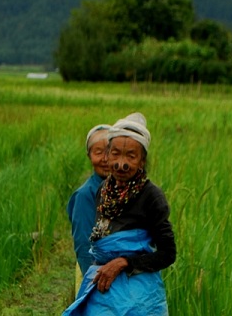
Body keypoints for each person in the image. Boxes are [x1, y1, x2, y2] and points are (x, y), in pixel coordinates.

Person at [63, 112, 176, 316]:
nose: (121, 164)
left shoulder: (151, 196)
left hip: (139, 297)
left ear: (142, 161)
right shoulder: (103, 191)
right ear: (107, 155)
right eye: (115, 154)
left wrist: (124, 262)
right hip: (103, 290)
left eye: (130, 157)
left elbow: (168, 253)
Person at [67, 124, 112, 277]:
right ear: (89, 156)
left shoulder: (123, 190)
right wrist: (94, 283)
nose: (105, 159)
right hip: (95, 277)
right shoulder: (85, 195)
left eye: (110, 152)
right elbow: (83, 245)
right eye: (98, 152)